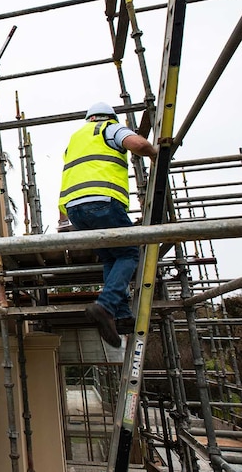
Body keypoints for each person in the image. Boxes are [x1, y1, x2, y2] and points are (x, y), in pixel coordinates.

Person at [58, 102, 158, 347]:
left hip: (74, 210)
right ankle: (106, 305)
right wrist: (156, 154)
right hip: (102, 202)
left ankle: (121, 315)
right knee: (129, 252)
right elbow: (139, 145)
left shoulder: (75, 139)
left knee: (112, 258)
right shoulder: (109, 128)